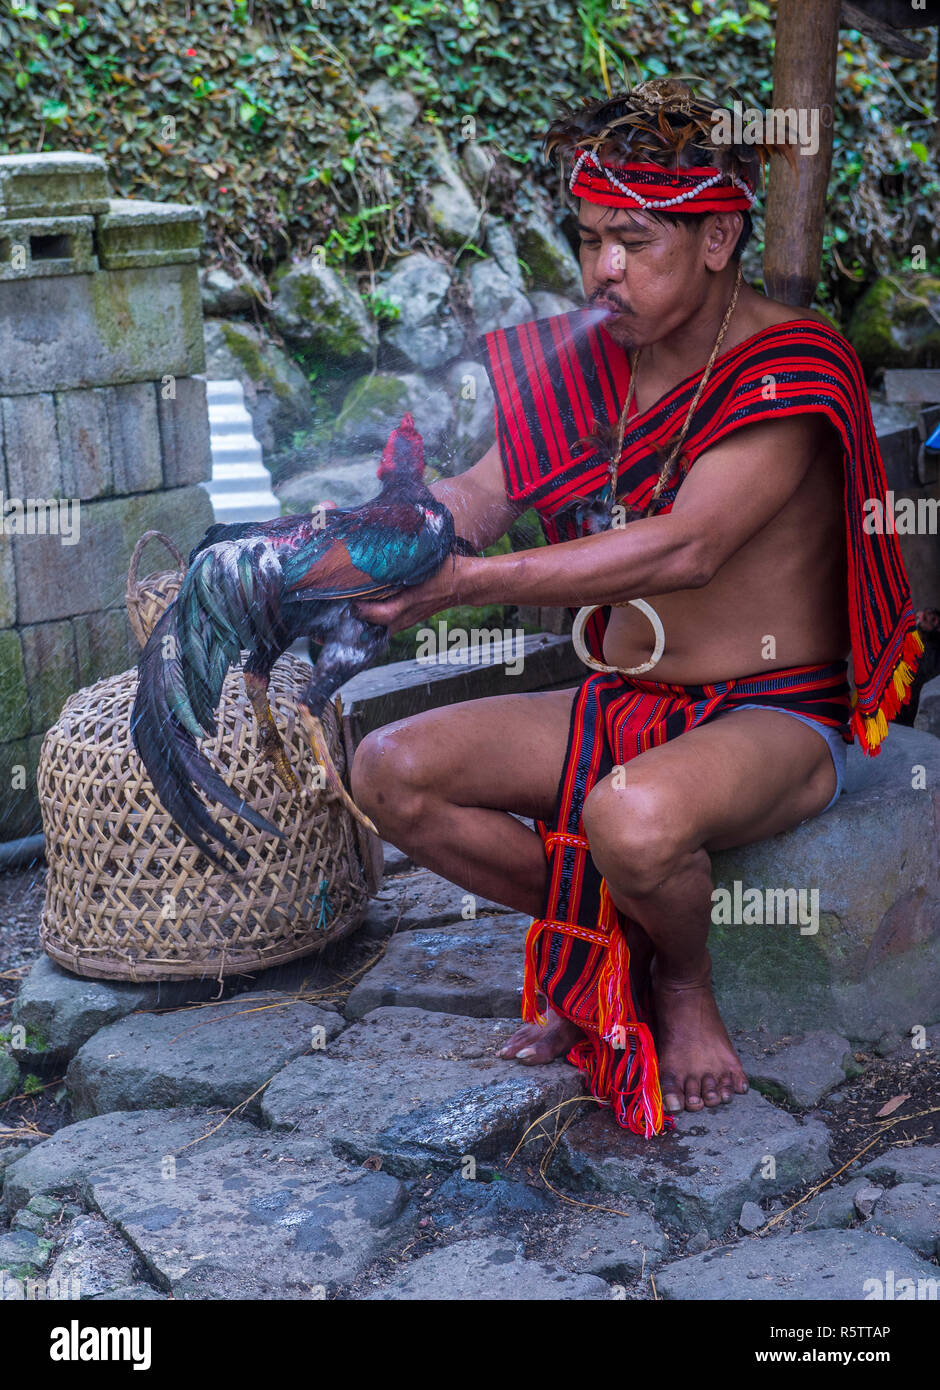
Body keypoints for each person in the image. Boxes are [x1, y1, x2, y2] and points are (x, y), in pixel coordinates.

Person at [348, 80, 923, 1136]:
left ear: (715, 240)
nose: (601, 269)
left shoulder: (793, 363)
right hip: (619, 698)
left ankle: (680, 982)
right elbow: (479, 499)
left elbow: (688, 545)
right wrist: (372, 537)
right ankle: (616, 934)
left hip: (773, 712)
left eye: (633, 241)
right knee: (388, 770)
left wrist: (469, 586)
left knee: (631, 814)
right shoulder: (581, 360)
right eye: (587, 239)